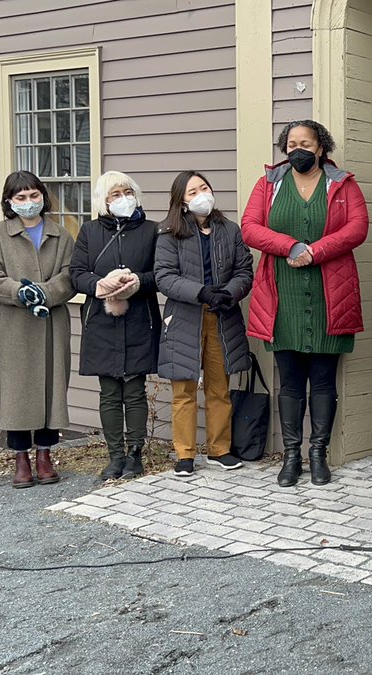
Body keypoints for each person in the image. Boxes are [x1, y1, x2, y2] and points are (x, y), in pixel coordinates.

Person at [242, 120, 369, 488]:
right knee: (291, 381)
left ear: (320, 147)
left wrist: (315, 251)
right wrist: (290, 247)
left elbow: (357, 228)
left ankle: (318, 454)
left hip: (331, 292)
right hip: (282, 294)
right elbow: (250, 227)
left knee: (324, 380)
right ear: (285, 148)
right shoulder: (268, 184)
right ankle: (292, 457)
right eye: (292, 142)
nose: (299, 148)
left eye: (307, 142)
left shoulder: (343, 183)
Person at [0, 170, 76, 488]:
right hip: (12, 326)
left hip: (51, 323)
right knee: (17, 391)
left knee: (51, 388)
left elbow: (69, 275)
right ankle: (20, 457)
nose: (29, 202)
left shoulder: (61, 235)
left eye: (34, 195)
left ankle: (45, 454)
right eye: (20, 197)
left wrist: (44, 293)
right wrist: (19, 292)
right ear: (10, 202)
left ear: (43, 197)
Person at [155, 170, 254, 478]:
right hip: (185, 318)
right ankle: (185, 453)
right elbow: (165, 278)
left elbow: (244, 270)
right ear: (181, 202)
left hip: (221, 316)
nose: (201, 195)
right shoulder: (168, 234)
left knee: (219, 387)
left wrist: (229, 292)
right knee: (183, 388)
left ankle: (219, 449)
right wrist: (200, 291)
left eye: (204, 188)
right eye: (192, 192)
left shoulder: (230, 230)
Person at [70, 171, 160, 481]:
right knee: (109, 392)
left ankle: (135, 454)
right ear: (104, 201)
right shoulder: (89, 231)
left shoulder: (151, 230)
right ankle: (114, 456)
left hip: (139, 319)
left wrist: (139, 282)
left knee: (134, 390)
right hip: (101, 321)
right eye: (114, 194)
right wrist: (100, 283)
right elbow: (77, 273)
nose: (122, 198)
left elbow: (161, 273)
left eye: (126, 192)